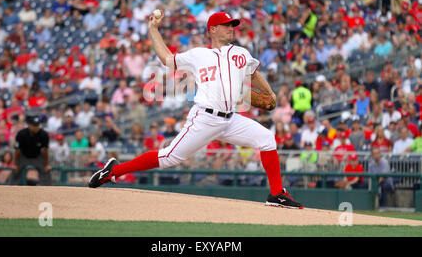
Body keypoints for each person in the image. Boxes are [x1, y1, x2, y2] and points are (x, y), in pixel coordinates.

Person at [88, 10, 302, 209]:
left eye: (233, 25)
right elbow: (166, 60)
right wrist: (154, 29)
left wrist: (270, 92)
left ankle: (276, 194)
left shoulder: (241, 53)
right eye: (226, 25)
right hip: (204, 118)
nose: (231, 28)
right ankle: (113, 172)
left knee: (267, 139)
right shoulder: (198, 55)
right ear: (213, 30)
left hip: (230, 119)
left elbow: (253, 73)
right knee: (169, 157)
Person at [9, 115, 52, 185]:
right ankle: (11, 188)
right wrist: (15, 164)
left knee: (46, 170)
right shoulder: (21, 134)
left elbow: (45, 151)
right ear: (29, 125)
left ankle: (49, 189)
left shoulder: (44, 134)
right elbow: (17, 151)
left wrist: (46, 164)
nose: (36, 127)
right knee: (15, 171)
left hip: (37, 156)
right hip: (23, 156)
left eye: (37, 125)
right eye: (34, 125)